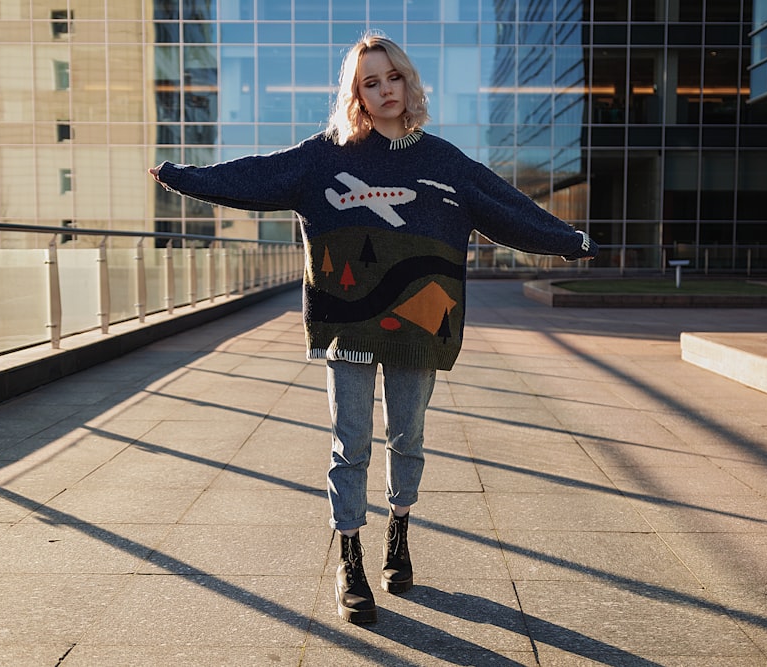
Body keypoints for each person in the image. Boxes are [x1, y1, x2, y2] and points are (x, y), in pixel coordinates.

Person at [149, 32, 597, 625]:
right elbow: (257, 175)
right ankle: (352, 558)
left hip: (419, 325)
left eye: (393, 77)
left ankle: (399, 534)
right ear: (356, 93)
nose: (386, 89)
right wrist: (187, 178)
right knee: (350, 444)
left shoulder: (443, 160)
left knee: (407, 439)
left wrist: (567, 241)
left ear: (409, 82)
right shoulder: (326, 156)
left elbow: (506, 207)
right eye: (370, 81)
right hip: (348, 326)